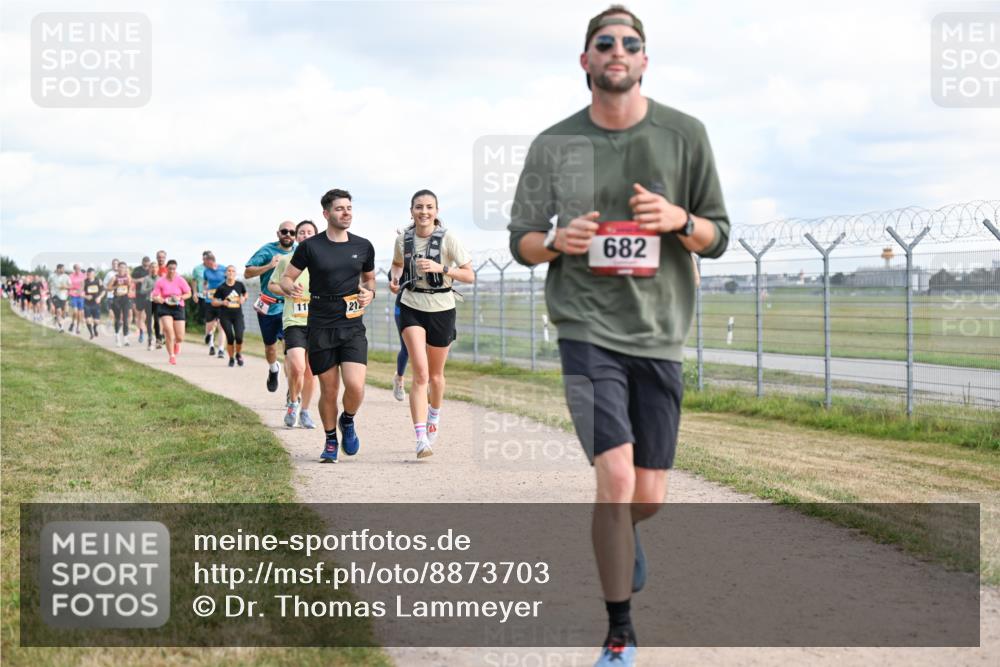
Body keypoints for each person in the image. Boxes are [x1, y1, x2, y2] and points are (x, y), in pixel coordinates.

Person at [508, 6, 730, 666]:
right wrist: (555, 241)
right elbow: (521, 240)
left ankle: (620, 532)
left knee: (648, 496)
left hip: (659, 332)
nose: (617, 51)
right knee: (615, 476)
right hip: (585, 327)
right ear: (585, 61)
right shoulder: (553, 144)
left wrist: (677, 218)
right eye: (604, 43)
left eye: (630, 44)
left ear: (644, 61)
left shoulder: (685, 134)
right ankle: (619, 631)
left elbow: (718, 235)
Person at [280, 189, 375, 463]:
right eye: (339, 209)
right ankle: (331, 439)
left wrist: (369, 292)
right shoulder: (311, 247)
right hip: (320, 323)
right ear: (326, 213)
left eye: (349, 208)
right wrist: (290, 287)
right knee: (330, 390)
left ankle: (348, 419)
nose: (346, 213)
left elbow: (368, 281)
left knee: (355, 386)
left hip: (352, 323)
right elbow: (287, 278)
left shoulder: (363, 246)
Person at [390, 190, 473, 459]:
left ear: (436, 211)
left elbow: (469, 275)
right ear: (411, 210)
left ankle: (434, 415)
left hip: (442, 308)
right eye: (418, 207)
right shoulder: (404, 238)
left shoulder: (448, 238)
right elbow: (396, 264)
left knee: (436, 377)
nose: (423, 212)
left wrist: (442, 269)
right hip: (412, 305)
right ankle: (420, 438)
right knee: (421, 374)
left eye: (429, 207)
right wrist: (395, 279)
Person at [269, 220, 320, 429]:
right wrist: (287, 290)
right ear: (297, 237)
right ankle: (293, 402)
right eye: (302, 232)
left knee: (310, 371)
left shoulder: (324, 261)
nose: (305, 235)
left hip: (318, 321)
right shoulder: (287, 260)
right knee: (297, 367)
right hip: (294, 321)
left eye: (310, 232)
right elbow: (273, 284)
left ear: (316, 235)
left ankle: (305, 411)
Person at [245, 221, 297, 393]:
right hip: (268, 306)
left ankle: (292, 388)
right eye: (284, 231)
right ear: (278, 233)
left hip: (290, 307)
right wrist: (269, 266)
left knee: (289, 349)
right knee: (270, 347)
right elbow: (247, 272)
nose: (288, 234)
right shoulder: (267, 250)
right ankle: (273, 369)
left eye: (291, 232)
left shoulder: (300, 251)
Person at [151, 259, 192, 365]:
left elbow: (188, 293)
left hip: (178, 307)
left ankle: (177, 343)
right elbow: (155, 295)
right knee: (169, 331)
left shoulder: (181, 280)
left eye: (174, 269)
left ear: (176, 269)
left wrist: (180, 297)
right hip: (165, 307)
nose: (172, 271)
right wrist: (158, 299)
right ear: (166, 269)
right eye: (170, 268)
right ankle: (172, 356)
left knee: (180, 337)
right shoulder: (161, 281)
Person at [211, 266, 248, 367]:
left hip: (238, 315)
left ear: (235, 273)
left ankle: (238, 354)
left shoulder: (240, 285)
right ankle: (231, 358)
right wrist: (222, 302)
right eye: (229, 271)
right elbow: (213, 302)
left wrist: (243, 299)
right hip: (225, 316)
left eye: (233, 271)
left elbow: (245, 294)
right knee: (230, 338)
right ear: (225, 273)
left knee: (239, 337)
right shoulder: (221, 287)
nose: (231, 273)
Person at [108, 262, 133, 347]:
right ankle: (117, 335)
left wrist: (129, 291)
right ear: (118, 268)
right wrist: (116, 286)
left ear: (126, 269)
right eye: (121, 267)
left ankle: (126, 338)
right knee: (118, 319)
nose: (122, 269)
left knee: (125, 319)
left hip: (125, 298)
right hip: (117, 299)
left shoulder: (128, 277)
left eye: (124, 267)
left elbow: (130, 286)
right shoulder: (114, 277)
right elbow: (108, 288)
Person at [131, 256, 153, 346]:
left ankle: (150, 335)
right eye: (145, 262)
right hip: (139, 295)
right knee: (140, 316)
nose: (146, 264)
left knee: (149, 316)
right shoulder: (137, 270)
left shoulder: (152, 270)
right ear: (142, 262)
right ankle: (141, 333)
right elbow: (131, 280)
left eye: (148, 262)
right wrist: (139, 280)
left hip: (150, 296)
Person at [81, 268, 105, 339]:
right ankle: (91, 333)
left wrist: (100, 297)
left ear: (94, 274)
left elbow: (103, 291)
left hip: (96, 303)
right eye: (88, 274)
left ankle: (94, 328)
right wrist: (85, 296)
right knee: (88, 320)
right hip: (87, 304)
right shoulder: (84, 282)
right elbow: (79, 293)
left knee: (96, 321)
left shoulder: (98, 281)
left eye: (90, 274)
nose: (89, 276)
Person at [50, 264, 70, 331]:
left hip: (63, 296)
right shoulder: (52, 276)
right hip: (55, 295)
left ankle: (56, 319)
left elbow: (70, 286)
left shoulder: (66, 277)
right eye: (62, 269)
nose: (64, 270)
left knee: (62, 313)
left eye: (64, 269)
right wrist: (51, 292)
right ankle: (61, 327)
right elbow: (48, 284)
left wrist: (65, 287)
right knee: (58, 310)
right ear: (58, 269)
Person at [68, 264, 85, 334]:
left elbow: (84, 285)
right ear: (74, 269)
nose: (78, 270)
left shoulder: (83, 275)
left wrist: (80, 291)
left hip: (81, 296)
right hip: (73, 295)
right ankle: (72, 323)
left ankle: (77, 327)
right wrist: (73, 289)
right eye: (77, 268)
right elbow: (69, 285)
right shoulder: (71, 276)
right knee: (75, 311)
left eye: (79, 268)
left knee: (79, 313)